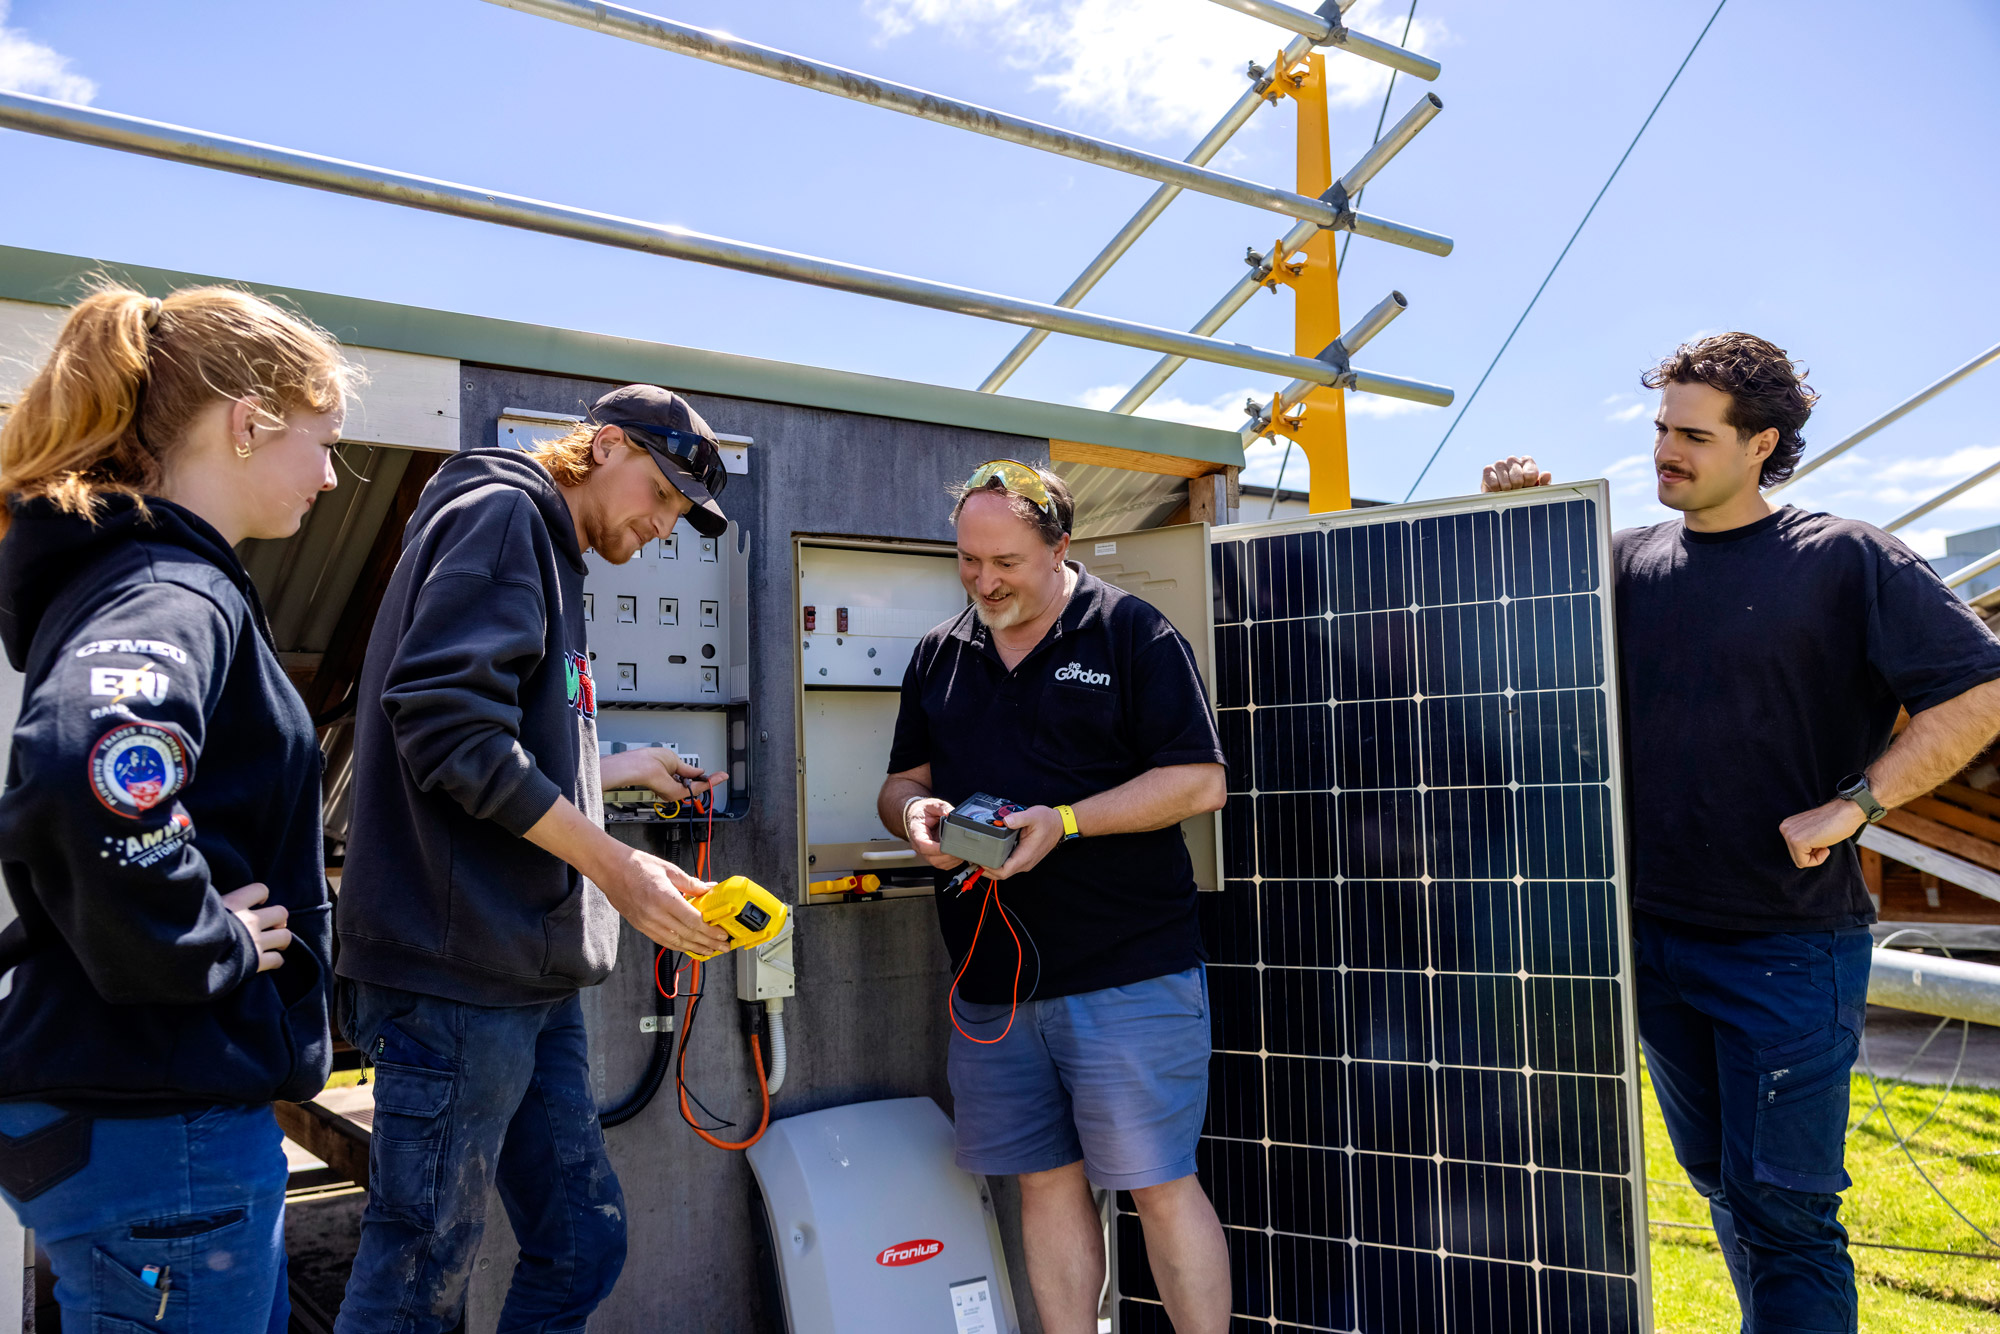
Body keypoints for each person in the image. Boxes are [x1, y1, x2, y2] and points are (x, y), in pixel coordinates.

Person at [1482, 332, 2000, 1333]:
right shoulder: (1623, 563)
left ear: (1761, 442)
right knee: (1722, 1184)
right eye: (1658, 428)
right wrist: (1520, 522)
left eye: (1691, 433)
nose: (1663, 451)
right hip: (1653, 942)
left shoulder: (1844, 559)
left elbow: (1976, 692)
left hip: (1785, 947)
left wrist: (1856, 802)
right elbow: (1513, 648)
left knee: (1788, 1212)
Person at [332, 384, 735, 1333]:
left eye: (679, 511)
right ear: (600, 447)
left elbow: (515, 735)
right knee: (417, 1280)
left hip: (526, 978)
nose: (663, 523)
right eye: (661, 492)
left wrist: (616, 771)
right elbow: (447, 727)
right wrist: (615, 868)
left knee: (580, 1246)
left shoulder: (555, 555)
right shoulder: (504, 515)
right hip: (455, 974)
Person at [0, 284, 356, 1332]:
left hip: (138, 1115)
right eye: (324, 440)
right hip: (163, 1126)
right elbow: (88, 764)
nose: (334, 477)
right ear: (248, 425)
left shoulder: (129, 575)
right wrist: (208, 942)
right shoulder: (169, 586)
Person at [877, 460, 1232, 1334]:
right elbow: (901, 781)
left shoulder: (1132, 634)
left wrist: (1063, 822)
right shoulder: (938, 652)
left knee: (1157, 1183)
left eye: (1006, 562)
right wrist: (916, 812)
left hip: (1128, 971)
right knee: (1043, 1182)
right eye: (968, 561)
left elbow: (1197, 783)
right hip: (992, 982)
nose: (985, 581)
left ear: (1060, 546)